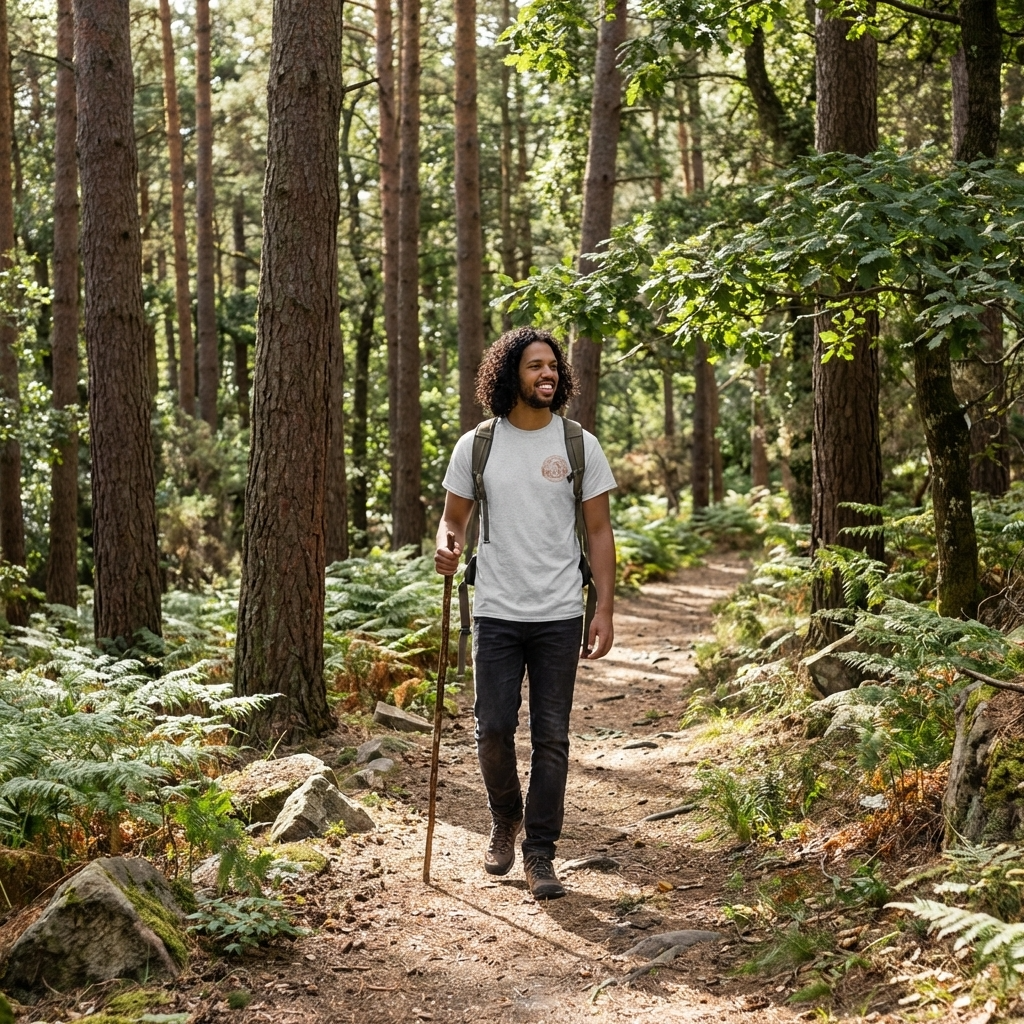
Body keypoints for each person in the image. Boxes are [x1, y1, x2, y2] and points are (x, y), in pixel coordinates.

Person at [435, 326, 617, 899]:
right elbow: (453, 519)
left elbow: (599, 529)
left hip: (560, 610)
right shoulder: (478, 445)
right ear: (510, 373)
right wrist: (446, 544)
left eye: (554, 367)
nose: (548, 375)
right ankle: (504, 817)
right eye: (536, 366)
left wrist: (605, 607)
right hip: (495, 609)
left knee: (552, 738)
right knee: (491, 731)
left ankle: (540, 852)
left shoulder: (577, 444)